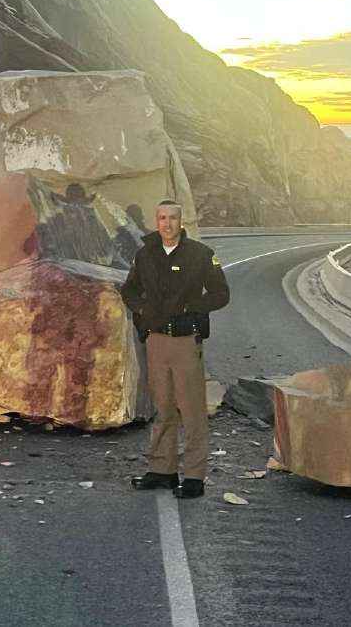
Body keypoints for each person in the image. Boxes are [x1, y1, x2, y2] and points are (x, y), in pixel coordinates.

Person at [119, 199, 230, 498]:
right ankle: (162, 470)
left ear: (182, 222)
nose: (167, 224)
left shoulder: (200, 255)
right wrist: (142, 310)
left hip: (184, 341)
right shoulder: (145, 255)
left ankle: (194, 477)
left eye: (172, 218)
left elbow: (221, 294)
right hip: (156, 341)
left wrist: (191, 306)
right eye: (161, 218)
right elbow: (128, 289)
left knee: (192, 410)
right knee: (163, 408)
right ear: (156, 221)